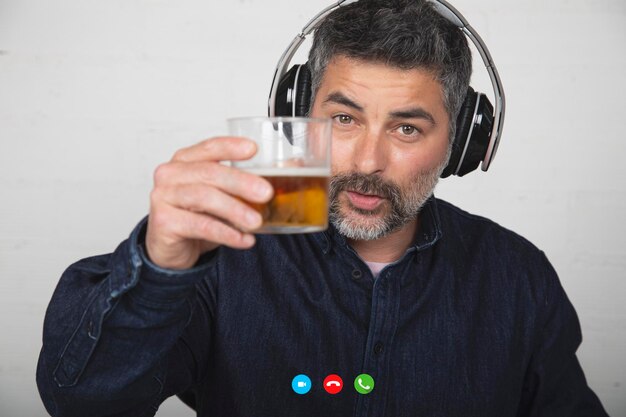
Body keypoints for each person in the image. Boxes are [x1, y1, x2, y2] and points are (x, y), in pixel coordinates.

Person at [36, 0, 609, 416]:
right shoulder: (221, 253)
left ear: (460, 146)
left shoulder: (516, 274)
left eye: (407, 127)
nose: (368, 159)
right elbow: (85, 403)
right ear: (297, 114)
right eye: (343, 118)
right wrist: (160, 267)